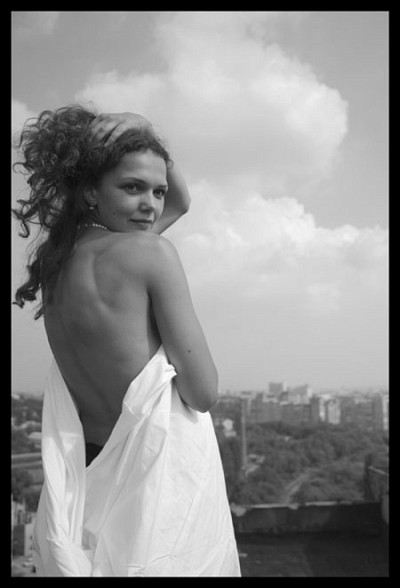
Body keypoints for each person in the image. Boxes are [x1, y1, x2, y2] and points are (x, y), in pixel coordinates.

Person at [12, 105, 241, 577]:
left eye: (157, 190)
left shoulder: (56, 264)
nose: (151, 205)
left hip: (91, 464)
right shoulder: (151, 253)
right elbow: (203, 393)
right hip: (153, 473)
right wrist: (143, 129)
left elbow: (181, 204)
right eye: (132, 187)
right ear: (90, 190)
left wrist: (141, 133)